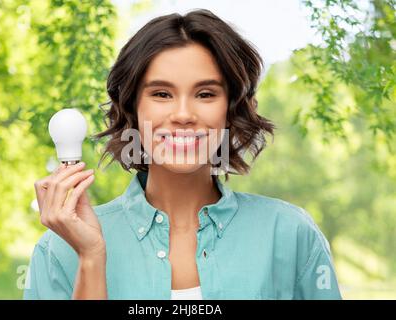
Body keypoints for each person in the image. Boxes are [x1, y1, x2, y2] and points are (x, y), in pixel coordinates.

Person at [24, 9, 342, 300]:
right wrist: (91, 258)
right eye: (161, 94)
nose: (183, 114)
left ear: (230, 110)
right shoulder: (60, 250)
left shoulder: (289, 234)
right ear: (133, 107)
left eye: (205, 94)